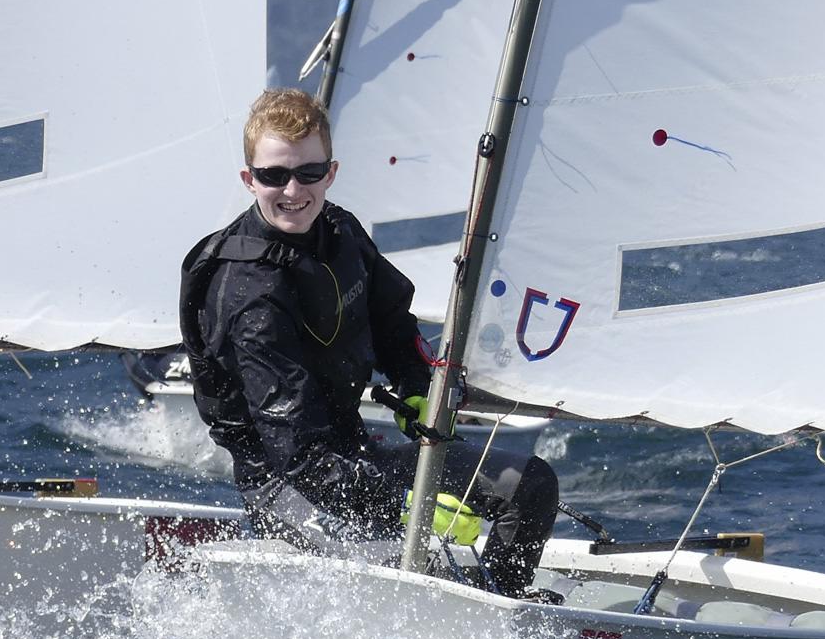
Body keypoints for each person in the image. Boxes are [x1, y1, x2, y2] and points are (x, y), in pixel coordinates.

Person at [178, 88, 559, 598]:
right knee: (425, 567)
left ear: (330, 173)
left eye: (309, 173)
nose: (293, 190)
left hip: (354, 456)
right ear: (250, 180)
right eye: (275, 175)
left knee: (530, 485)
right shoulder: (249, 297)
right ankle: (461, 605)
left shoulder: (340, 230)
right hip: (288, 484)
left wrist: (415, 388)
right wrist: (409, 504)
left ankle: (504, 616)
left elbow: (394, 328)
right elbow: (300, 457)